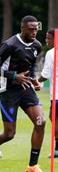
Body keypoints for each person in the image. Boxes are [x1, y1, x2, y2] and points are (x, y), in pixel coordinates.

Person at [0, 16, 48, 172]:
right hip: (8, 91)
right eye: (31, 29)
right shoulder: (9, 45)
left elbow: (29, 67)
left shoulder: (37, 45)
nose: (34, 32)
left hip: (26, 88)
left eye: (36, 28)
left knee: (41, 121)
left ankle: (33, 165)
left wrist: (33, 80)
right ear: (22, 28)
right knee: (9, 134)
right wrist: (14, 76)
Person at [38, 29, 58, 158]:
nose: (46, 40)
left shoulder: (51, 53)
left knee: (54, 118)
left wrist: (36, 82)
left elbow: (45, 74)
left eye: (48, 38)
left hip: (57, 94)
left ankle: (57, 148)